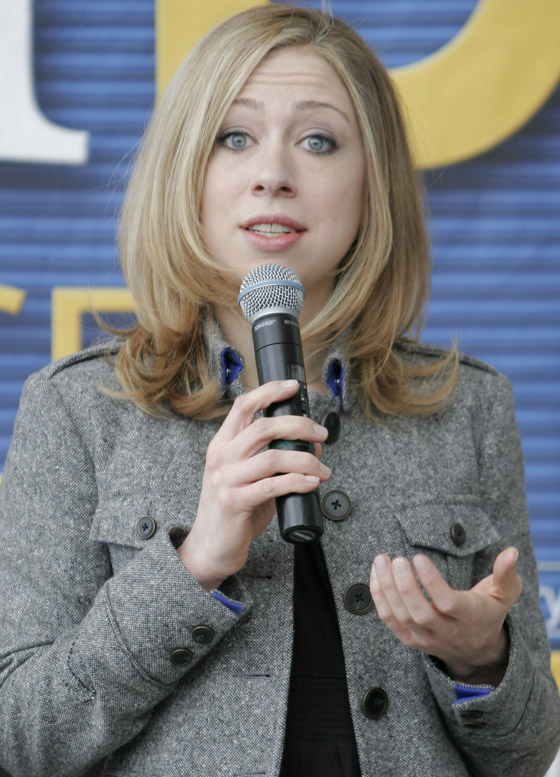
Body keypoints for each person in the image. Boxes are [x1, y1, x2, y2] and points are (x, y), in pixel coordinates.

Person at [0, 5, 558, 777]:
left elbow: (529, 752)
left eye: (318, 140)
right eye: (235, 137)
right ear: (187, 171)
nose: (273, 174)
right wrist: (193, 564)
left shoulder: (467, 407)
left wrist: (478, 657)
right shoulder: (78, 409)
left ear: (372, 183)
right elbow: (21, 739)